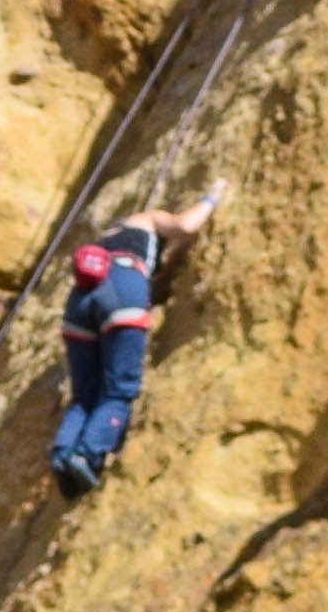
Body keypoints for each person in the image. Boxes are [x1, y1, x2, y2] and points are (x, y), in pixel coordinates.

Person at [50, 187, 225, 495]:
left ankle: (63, 453)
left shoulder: (110, 237)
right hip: (123, 287)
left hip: (78, 302)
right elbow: (186, 226)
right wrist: (213, 197)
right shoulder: (148, 219)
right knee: (120, 388)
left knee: (84, 394)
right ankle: (88, 454)